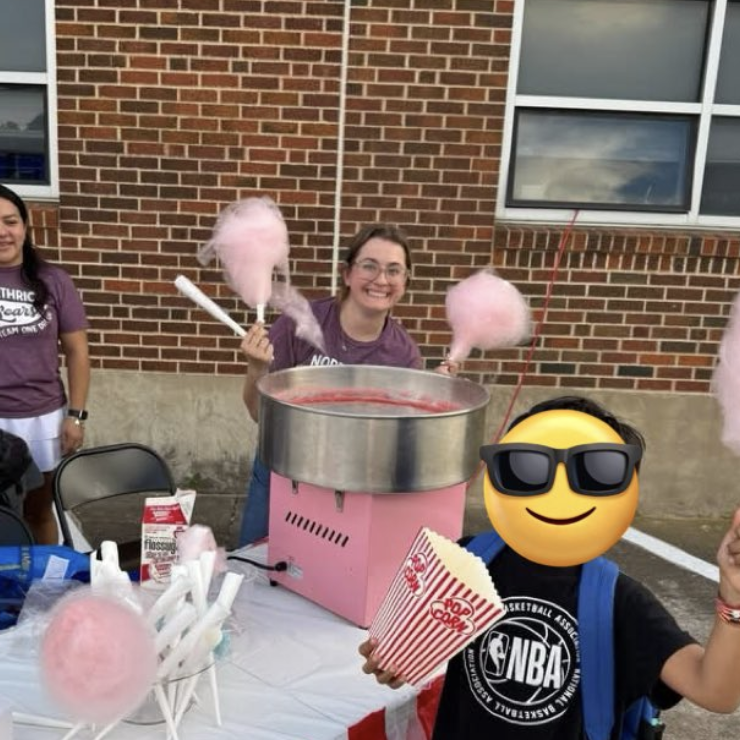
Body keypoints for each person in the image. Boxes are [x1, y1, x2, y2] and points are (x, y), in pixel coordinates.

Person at [359, 396, 740, 738]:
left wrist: (733, 597)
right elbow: (410, 645)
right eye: (526, 466)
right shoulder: (466, 562)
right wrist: (392, 660)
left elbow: (716, 692)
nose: (559, 490)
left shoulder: (618, 602)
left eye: (597, 472)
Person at [238, 223, 457, 546]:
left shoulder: (404, 354)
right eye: (369, 266)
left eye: (394, 270)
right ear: (347, 274)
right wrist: (256, 368)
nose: (381, 280)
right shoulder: (301, 322)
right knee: (253, 562)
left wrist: (430, 396)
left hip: (352, 487)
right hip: (282, 472)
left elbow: (396, 445)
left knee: (328, 571)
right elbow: (260, 415)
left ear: (405, 281)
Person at [0, 183, 90, 544]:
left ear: (25, 226)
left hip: (43, 417)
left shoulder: (54, 281)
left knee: (38, 511)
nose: (2, 233)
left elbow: (77, 352)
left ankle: (43, 576)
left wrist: (76, 415)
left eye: (10, 222)